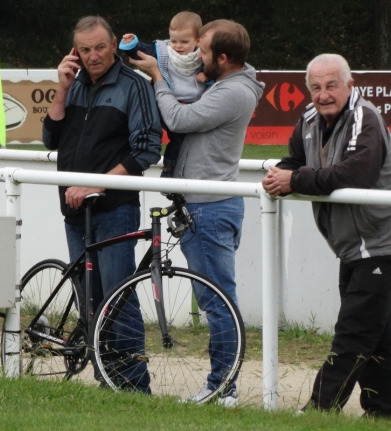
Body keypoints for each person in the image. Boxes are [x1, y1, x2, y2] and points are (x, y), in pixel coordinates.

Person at [262, 53, 391, 419]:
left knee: (353, 330)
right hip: (352, 243)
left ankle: (318, 411)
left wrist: (294, 180)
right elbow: (295, 160)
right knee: (373, 330)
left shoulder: (367, 118)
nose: (324, 94)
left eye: (332, 85)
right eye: (315, 87)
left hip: (382, 240)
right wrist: (277, 174)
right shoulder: (309, 121)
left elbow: (357, 174)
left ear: (350, 85)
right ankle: (380, 413)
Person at [129, 19, 265, 406]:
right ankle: (225, 383)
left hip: (208, 208)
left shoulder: (233, 92)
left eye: (202, 52)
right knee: (217, 298)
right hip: (205, 206)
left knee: (216, 300)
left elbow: (179, 120)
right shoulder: (228, 82)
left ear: (224, 57)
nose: (194, 57)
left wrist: (157, 75)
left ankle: (224, 385)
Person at [42, 15, 162, 393]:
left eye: (99, 47)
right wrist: (61, 88)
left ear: (114, 45)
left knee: (118, 295)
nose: (93, 56)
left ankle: (134, 386)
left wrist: (95, 184)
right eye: (85, 49)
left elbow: (147, 149)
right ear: (75, 52)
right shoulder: (73, 85)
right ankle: (107, 379)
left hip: (115, 209)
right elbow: (49, 138)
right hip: (74, 211)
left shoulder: (134, 86)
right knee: (88, 299)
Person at [119, 11, 209, 178]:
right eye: (174, 40)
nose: (177, 46)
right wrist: (131, 44)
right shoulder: (163, 51)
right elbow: (142, 52)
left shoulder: (204, 56)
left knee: (183, 140)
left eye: (184, 42)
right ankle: (139, 157)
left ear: (198, 40)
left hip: (191, 108)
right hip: (163, 102)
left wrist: (207, 75)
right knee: (145, 126)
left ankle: (171, 170)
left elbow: (219, 70)